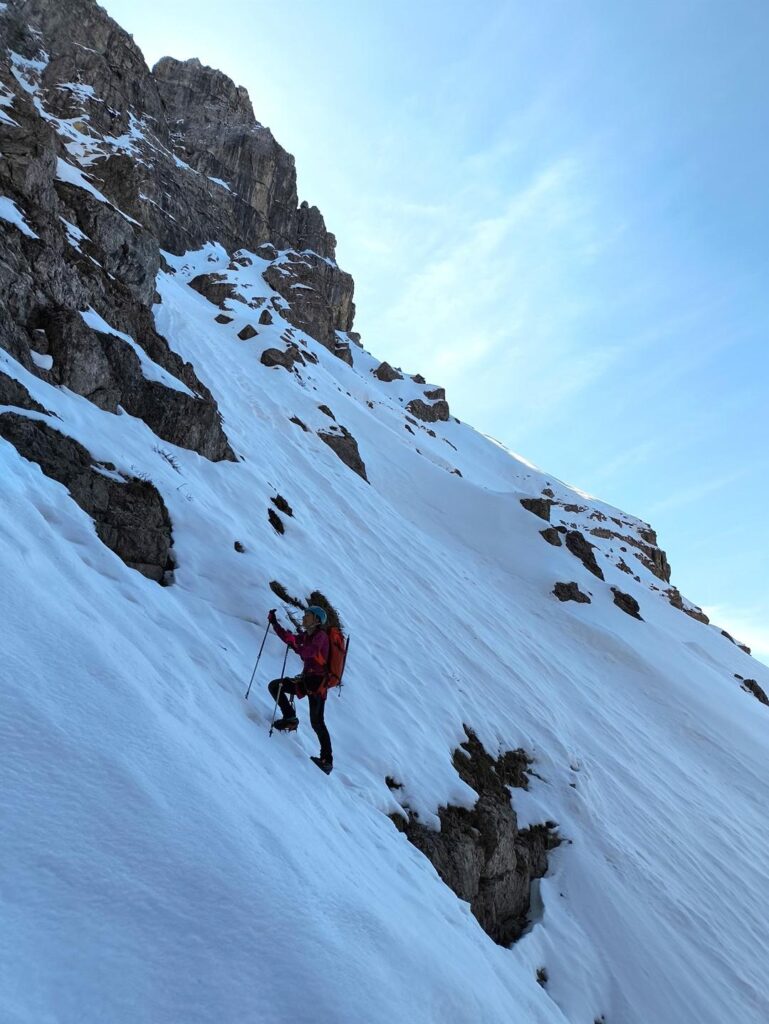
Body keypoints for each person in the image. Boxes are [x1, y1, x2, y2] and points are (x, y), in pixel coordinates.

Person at [267, 605, 333, 773]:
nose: (304, 617)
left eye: (307, 615)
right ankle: (289, 717)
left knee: (317, 722)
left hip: (317, 684)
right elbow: (291, 639)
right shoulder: (308, 635)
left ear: (316, 620)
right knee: (275, 686)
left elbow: (309, 652)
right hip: (307, 681)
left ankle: (327, 760)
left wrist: (294, 644)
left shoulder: (321, 636)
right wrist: (275, 624)